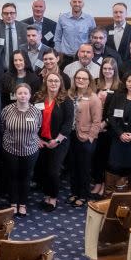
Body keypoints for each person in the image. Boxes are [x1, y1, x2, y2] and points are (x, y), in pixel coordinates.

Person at [34, 72, 73, 212]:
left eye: (56, 81)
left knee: (53, 171)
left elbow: (68, 123)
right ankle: (46, 195)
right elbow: (33, 119)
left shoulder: (66, 100)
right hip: (41, 141)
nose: (53, 83)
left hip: (59, 141)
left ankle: (53, 198)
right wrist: (37, 138)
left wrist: (57, 140)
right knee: (44, 169)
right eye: (50, 81)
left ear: (60, 83)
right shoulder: (38, 98)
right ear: (46, 82)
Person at [1, 83, 42, 217]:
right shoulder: (7, 109)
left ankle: (23, 204)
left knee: (26, 177)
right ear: (15, 95)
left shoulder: (36, 111)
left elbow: (38, 127)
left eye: (25, 93)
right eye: (20, 93)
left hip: (30, 150)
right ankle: (13, 203)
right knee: (12, 177)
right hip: (10, 149)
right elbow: (2, 126)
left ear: (30, 95)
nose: (23, 95)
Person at [68, 68, 102, 207]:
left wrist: (90, 138)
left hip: (85, 137)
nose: (80, 80)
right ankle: (74, 192)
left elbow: (97, 121)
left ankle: (83, 195)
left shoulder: (94, 98)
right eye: (78, 78)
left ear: (89, 81)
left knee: (84, 167)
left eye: (84, 78)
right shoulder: (70, 95)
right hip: (71, 135)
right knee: (73, 166)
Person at [91, 57, 122, 198]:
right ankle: (97, 182)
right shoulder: (96, 83)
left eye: (110, 68)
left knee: (108, 157)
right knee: (97, 156)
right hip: (96, 126)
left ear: (114, 70)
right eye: (105, 68)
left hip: (111, 127)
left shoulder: (120, 87)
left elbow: (120, 110)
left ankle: (105, 184)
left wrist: (105, 124)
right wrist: (97, 124)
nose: (107, 71)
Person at [53, 0, 95, 64]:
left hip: (83, 58)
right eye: (74, 2)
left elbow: (93, 39)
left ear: (83, 4)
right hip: (65, 58)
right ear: (70, 3)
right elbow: (57, 38)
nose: (77, 4)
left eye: (79, 2)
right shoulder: (62, 18)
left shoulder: (89, 19)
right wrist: (58, 55)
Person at [0, 2, 27, 68]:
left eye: (11, 13)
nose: (9, 16)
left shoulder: (24, 28)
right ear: (2, 15)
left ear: (16, 14)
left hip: (20, 67)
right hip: (1, 68)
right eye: (6, 13)